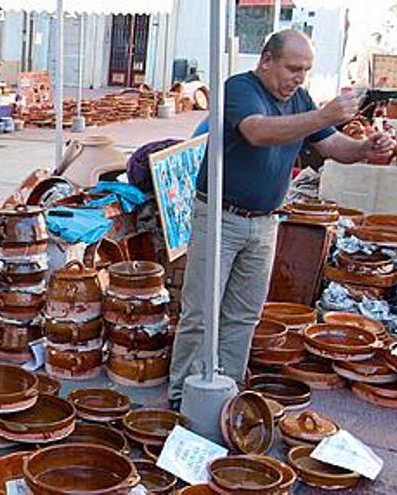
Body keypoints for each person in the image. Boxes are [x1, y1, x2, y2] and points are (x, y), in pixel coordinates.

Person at [168, 30, 396, 411]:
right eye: (293, 68)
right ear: (266, 60)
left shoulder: (300, 100)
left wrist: (365, 149)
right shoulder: (240, 88)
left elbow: (333, 146)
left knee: (244, 314)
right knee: (201, 312)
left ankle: (227, 390)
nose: (299, 78)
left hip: (265, 221)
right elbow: (257, 131)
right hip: (221, 216)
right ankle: (182, 396)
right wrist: (322, 115)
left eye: (305, 70)